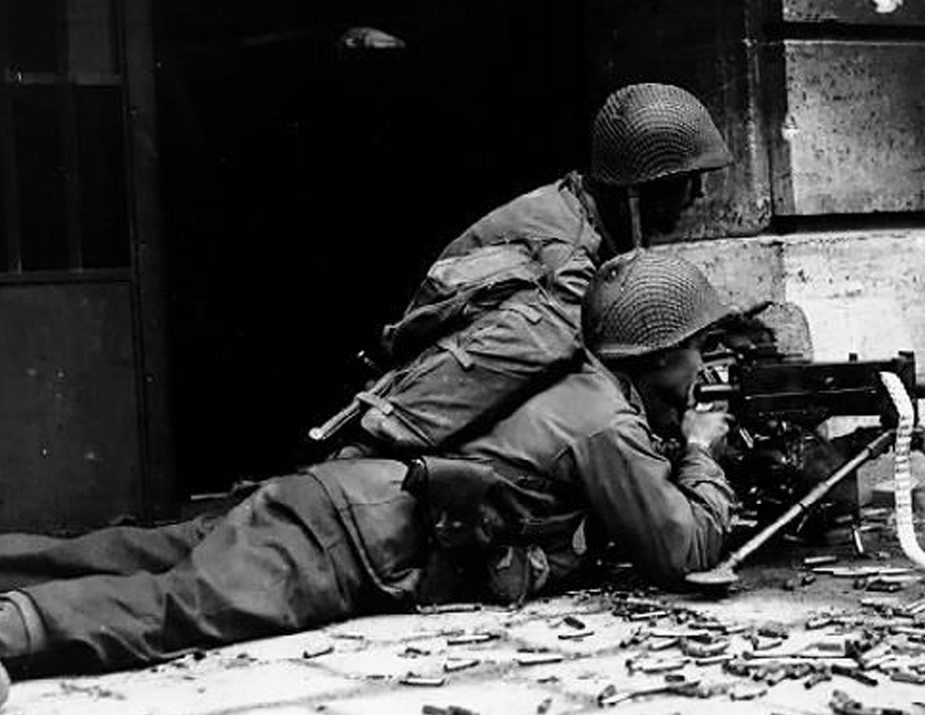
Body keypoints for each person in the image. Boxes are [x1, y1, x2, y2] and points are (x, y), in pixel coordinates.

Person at [0, 251, 738, 715]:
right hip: (352, 541)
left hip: (335, 497)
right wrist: (702, 447)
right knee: (173, 608)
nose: (704, 366)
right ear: (659, 355)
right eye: (698, 351)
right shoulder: (609, 419)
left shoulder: (576, 384)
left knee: (105, 552)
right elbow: (686, 549)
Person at [312, 82, 733, 453]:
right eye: (686, 182)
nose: (698, 195)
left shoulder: (576, 210)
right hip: (422, 426)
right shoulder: (566, 265)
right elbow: (598, 386)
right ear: (641, 191)